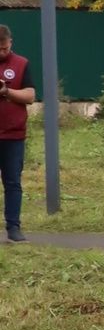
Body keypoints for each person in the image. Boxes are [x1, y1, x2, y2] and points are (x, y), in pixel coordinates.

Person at [0, 24, 37, 241]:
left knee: (13, 182)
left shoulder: (21, 64)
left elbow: (30, 95)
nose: (3, 53)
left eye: (5, 48)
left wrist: (7, 91)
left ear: (10, 42)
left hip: (13, 136)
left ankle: (13, 227)